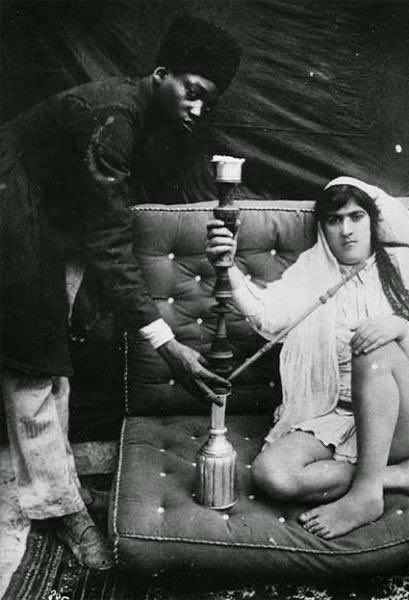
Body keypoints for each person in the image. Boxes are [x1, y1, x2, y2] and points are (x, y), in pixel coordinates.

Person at [0, 16, 241, 569]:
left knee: (51, 364)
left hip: (42, 215)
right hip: (10, 208)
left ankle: (59, 486)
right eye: (192, 91)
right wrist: (167, 345)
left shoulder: (138, 114)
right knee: (33, 367)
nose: (197, 108)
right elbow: (110, 244)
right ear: (161, 74)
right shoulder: (114, 117)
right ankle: (60, 510)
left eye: (207, 101)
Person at [206, 176, 409, 539]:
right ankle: (396, 475)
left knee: (372, 346)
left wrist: (400, 328)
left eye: (356, 217)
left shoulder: (403, 263)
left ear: (372, 221)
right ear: (323, 228)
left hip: (403, 423)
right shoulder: (312, 270)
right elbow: (268, 317)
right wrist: (227, 268)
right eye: (334, 220)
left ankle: (365, 495)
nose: (346, 230)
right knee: (272, 475)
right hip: (336, 414)